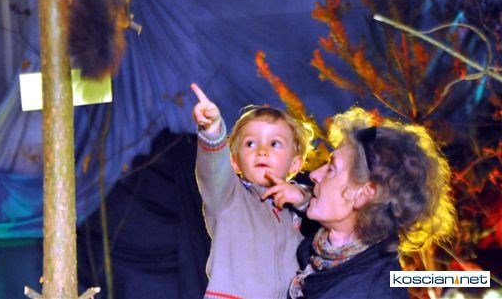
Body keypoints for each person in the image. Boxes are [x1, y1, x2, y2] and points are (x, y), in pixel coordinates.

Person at [289, 107, 456, 299]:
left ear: (363, 194)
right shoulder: (321, 245)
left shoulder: (373, 292)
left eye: (331, 169)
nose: (314, 175)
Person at [191, 83, 314, 299]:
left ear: (295, 165)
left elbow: (331, 211)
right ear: (234, 161)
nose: (262, 151)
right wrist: (212, 131)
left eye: (275, 144)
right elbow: (213, 169)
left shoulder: (298, 211)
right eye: (250, 144)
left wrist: (301, 198)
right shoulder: (229, 197)